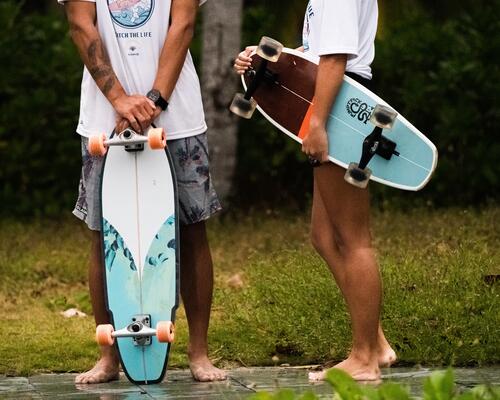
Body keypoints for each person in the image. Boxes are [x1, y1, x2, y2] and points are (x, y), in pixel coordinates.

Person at [59, 0, 226, 384]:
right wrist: (119, 99)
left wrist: (153, 101)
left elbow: (182, 24)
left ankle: (198, 353)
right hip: (104, 122)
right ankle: (109, 357)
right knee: (105, 237)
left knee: (191, 230)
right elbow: (81, 26)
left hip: (177, 118)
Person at [234, 0, 396, 381]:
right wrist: (262, 58)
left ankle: (364, 359)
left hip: (341, 106)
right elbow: (316, 54)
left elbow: (336, 59)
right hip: (330, 99)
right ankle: (376, 344)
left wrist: (318, 123)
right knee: (323, 236)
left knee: (354, 239)